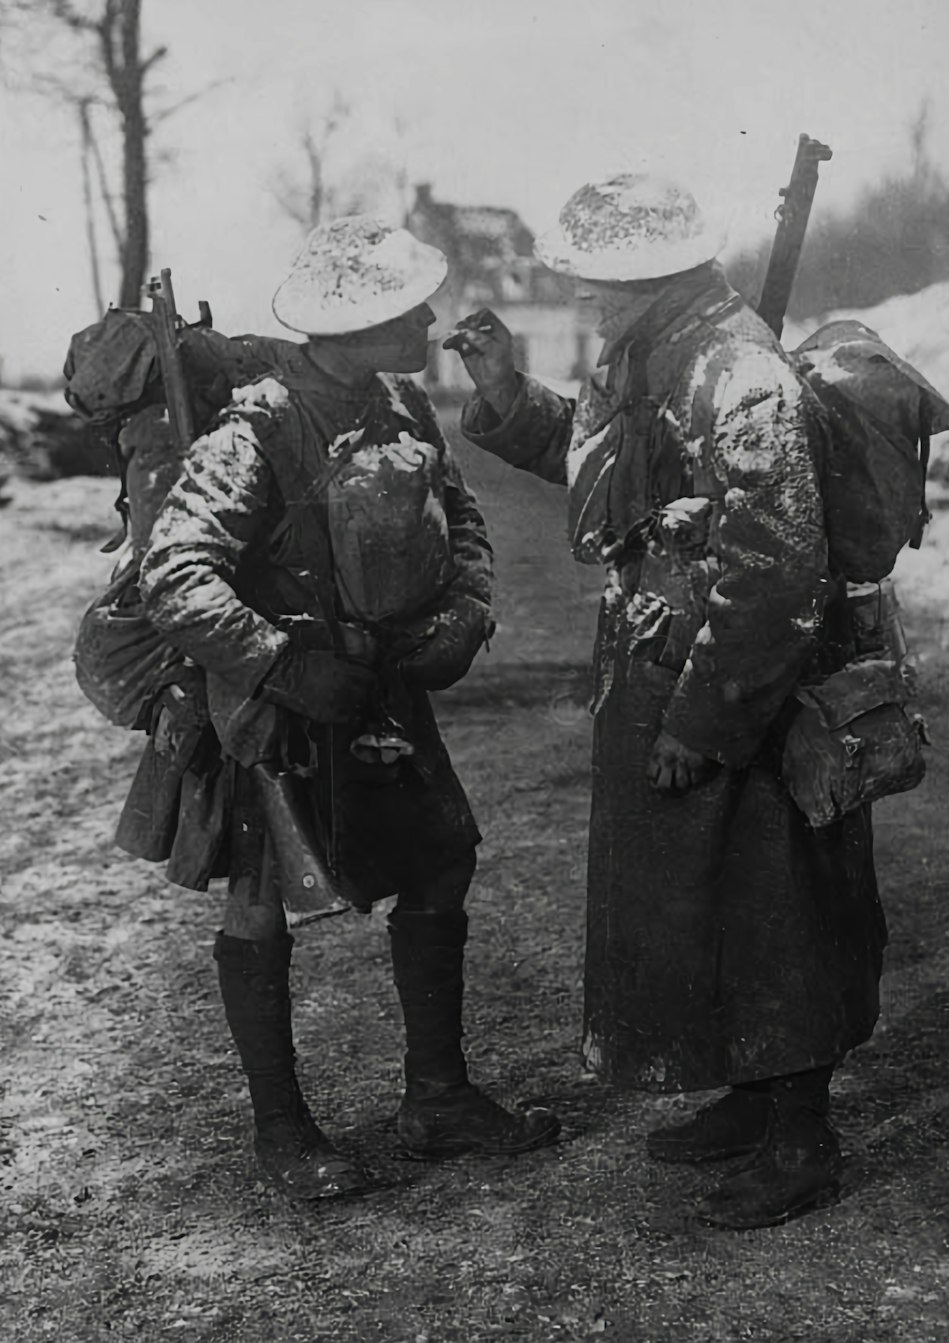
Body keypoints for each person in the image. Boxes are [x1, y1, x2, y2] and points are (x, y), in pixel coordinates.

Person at [448, 173, 887, 1230]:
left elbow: (778, 566)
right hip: (666, 658)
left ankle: (800, 1134)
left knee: (776, 896)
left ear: (657, 275)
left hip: (748, 681)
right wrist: (509, 394)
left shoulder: (736, 368)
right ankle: (751, 1088)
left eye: (601, 282)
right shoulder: (655, 350)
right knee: (710, 895)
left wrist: (704, 719)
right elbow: (611, 471)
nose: (588, 299)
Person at [131, 217, 560, 1200]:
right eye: (404, 307)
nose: (424, 319)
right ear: (355, 323)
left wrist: (466, 611)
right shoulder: (258, 427)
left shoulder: (404, 403)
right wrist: (282, 664)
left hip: (383, 689)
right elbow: (178, 577)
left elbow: (462, 518)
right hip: (274, 706)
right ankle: (282, 1131)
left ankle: (438, 1097)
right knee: (261, 895)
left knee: (443, 853)